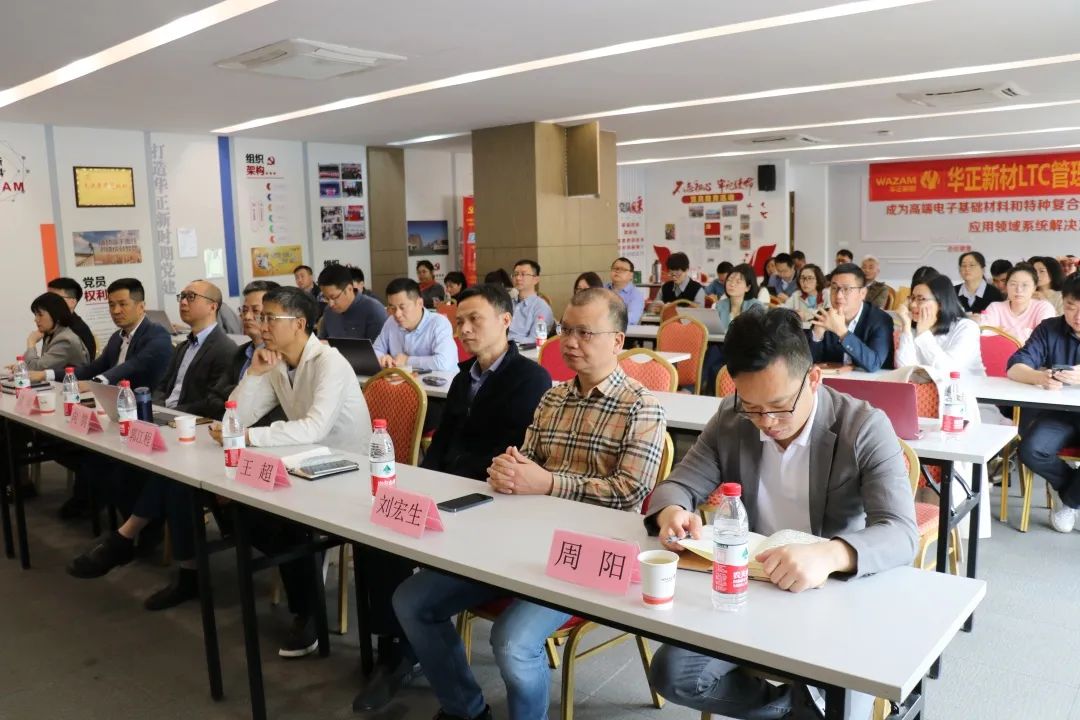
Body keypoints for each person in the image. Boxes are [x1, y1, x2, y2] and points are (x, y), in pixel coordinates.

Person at [392, 288, 667, 720]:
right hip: (523, 538)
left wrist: (548, 483)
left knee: (512, 640)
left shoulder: (642, 407)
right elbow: (527, 461)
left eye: (584, 333)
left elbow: (630, 493)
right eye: (565, 330)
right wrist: (508, 469)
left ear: (617, 340)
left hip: (589, 555)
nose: (569, 342)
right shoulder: (552, 398)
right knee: (412, 600)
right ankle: (466, 709)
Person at [645, 308, 916, 720]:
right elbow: (678, 485)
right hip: (751, 589)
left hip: (831, 594)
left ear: (813, 379)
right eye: (752, 407)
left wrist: (831, 554)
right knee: (674, 673)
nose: (767, 422)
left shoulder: (862, 426)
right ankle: (786, 708)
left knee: (837, 704)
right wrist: (672, 511)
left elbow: (900, 532)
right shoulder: (732, 417)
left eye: (779, 406)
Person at [351, 283, 553, 713]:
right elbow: (443, 442)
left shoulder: (530, 379)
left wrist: (450, 482)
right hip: (453, 492)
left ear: (505, 320)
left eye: (474, 319)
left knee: (406, 558)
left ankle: (409, 649)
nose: (464, 329)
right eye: (459, 321)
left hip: (492, 501)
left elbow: (512, 452)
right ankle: (396, 649)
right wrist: (422, 486)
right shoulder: (464, 377)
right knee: (378, 537)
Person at [218, 286, 372, 654]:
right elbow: (234, 419)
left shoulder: (330, 363)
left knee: (286, 522)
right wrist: (254, 374)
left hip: (349, 473)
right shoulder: (277, 363)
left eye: (270, 318)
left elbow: (313, 428)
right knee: (234, 506)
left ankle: (308, 612)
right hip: (306, 466)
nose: (261, 325)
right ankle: (306, 597)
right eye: (260, 317)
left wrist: (249, 437)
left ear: (299, 324)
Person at [66, 281, 238, 605]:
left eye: (191, 297)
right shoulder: (182, 346)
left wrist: (171, 414)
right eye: (182, 296)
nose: (183, 302)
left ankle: (129, 539)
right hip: (168, 422)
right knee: (109, 462)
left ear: (212, 305)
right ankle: (140, 534)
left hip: (192, 430)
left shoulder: (225, 348)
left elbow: (215, 403)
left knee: (175, 479)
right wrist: (156, 409)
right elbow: (163, 386)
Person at [57, 278, 174, 521]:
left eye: (122, 304)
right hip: (116, 414)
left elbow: (134, 365)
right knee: (85, 452)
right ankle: (95, 504)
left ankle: (139, 523)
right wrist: (49, 375)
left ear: (141, 306)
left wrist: (96, 382)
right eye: (111, 305)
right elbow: (91, 369)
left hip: (147, 415)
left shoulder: (157, 335)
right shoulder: (117, 338)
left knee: (106, 464)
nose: (116, 311)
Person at [1007, 273, 1080, 533]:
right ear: (1063, 302)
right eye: (1071, 307)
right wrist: (1040, 377)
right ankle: (1071, 489)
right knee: (1031, 449)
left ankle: (1070, 501)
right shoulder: (1050, 328)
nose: (1078, 316)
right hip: (1059, 415)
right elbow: (1015, 367)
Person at [808, 263, 894, 371]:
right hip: (834, 379)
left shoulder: (881, 320)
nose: (838, 295)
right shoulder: (824, 316)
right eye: (834, 288)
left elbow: (874, 364)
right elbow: (808, 363)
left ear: (862, 293)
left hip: (872, 380)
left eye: (846, 289)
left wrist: (842, 332)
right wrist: (817, 336)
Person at [897, 274, 985, 380]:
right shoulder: (913, 328)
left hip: (966, 388)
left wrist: (924, 333)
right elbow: (904, 371)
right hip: (927, 389)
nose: (913, 305)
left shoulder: (967, 328)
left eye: (920, 299)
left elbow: (948, 371)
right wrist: (906, 327)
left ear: (940, 303)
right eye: (912, 298)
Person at [702, 263, 765, 394]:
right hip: (721, 348)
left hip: (745, 352)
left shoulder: (756, 306)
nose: (731, 284)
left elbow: (754, 336)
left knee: (714, 356)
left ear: (748, 287)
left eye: (738, 282)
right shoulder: (719, 305)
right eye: (730, 280)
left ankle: (703, 387)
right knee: (712, 351)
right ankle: (703, 387)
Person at [374, 278, 457, 371]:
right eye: (392, 308)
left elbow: (443, 363)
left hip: (441, 380)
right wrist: (383, 358)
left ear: (420, 303)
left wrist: (407, 360)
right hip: (403, 379)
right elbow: (376, 350)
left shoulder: (438, 323)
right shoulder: (391, 322)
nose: (397, 314)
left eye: (402, 307)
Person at [20, 292, 90, 381]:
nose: (36, 319)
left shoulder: (65, 340)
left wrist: (31, 343)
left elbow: (36, 370)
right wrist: (20, 367)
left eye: (40, 315)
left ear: (55, 315)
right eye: (35, 315)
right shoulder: (52, 334)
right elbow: (41, 365)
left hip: (73, 387)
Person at [979, 263, 1056, 343]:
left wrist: (1002, 333)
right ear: (1006, 286)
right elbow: (984, 336)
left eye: (1025, 285)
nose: (1018, 289)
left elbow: (1043, 339)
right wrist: (1027, 333)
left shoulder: (1043, 308)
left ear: (1034, 288)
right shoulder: (995, 308)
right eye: (1013, 284)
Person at [316, 264, 385, 341]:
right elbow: (321, 340)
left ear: (349, 289)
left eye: (334, 297)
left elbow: (378, 347)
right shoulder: (329, 311)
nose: (330, 304)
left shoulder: (374, 310)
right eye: (326, 298)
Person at [507, 259, 555, 345]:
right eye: (516, 274)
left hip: (522, 350)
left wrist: (506, 340)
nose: (518, 278)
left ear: (535, 279)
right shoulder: (508, 302)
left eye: (523, 274)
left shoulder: (541, 307)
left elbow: (535, 339)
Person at [47, 276, 97, 358]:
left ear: (72, 302)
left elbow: (46, 363)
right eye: (47, 298)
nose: (47, 302)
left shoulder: (76, 331)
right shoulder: (55, 325)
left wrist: (31, 343)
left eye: (54, 298)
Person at [606, 257, 644, 325]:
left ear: (631, 275)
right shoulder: (602, 288)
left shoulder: (636, 295)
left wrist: (606, 321)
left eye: (623, 269)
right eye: (615, 268)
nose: (617, 271)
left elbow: (632, 318)